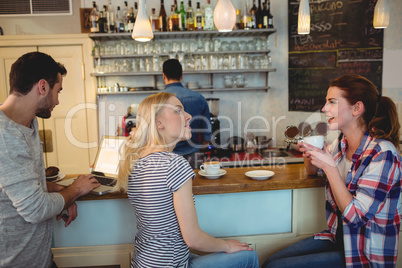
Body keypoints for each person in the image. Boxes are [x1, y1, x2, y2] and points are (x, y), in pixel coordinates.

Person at [262, 74, 402, 268]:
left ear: (357, 108)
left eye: (332, 102)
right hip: (338, 237)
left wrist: (329, 167)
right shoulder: (341, 144)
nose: (324, 108)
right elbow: (313, 172)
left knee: (275, 267)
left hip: (362, 255)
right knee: (270, 261)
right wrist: (310, 152)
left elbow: (356, 217)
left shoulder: (383, 153)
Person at [114, 92, 259, 268]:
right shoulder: (174, 164)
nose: (189, 115)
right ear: (159, 123)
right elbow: (192, 238)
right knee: (248, 256)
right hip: (171, 265)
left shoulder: (135, 161)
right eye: (178, 111)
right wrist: (227, 245)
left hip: (143, 262)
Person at [0, 52, 101, 268]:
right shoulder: (5, 137)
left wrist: (58, 192)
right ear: (43, 87)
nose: (57, 100)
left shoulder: (28, 123)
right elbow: (35, 209)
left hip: (39, 258)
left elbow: (22, 184)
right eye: (58, 91)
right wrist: (74, 190)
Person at [163, 59, 212, 169]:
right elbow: (206, 133)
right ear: (181, 76)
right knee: (195, 185)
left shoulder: (156, 101)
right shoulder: (198, 98)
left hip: (164, 158)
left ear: (163, 76)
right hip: (192, 156)